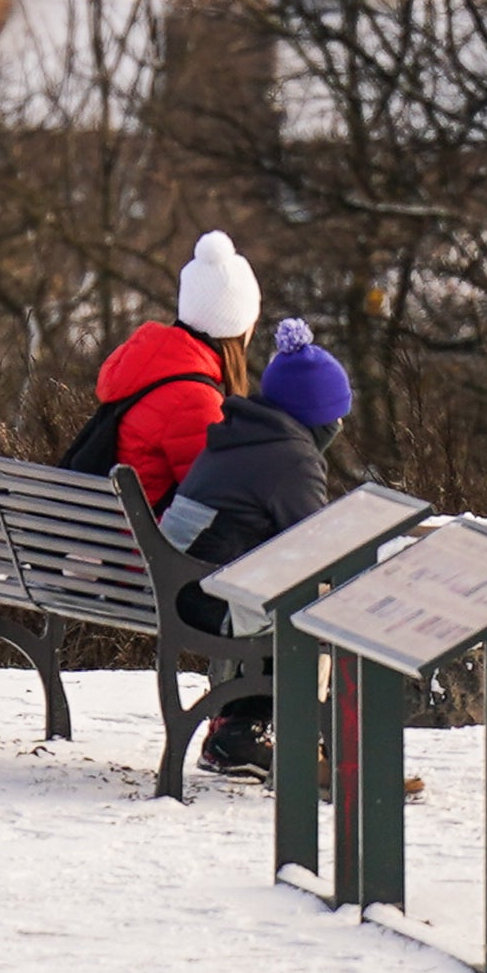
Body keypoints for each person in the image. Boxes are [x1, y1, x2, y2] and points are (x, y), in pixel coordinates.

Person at [159, 320, 351, 778]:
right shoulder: (293, 457)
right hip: (210, 604)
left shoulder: (238, 433)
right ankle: (294, 744)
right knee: (322, 609)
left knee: (284, 595)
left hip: (181, 590)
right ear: (318, 417)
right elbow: (315, 549)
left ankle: (240, 732)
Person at [78, 231, 261, 506]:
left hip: (111, 535)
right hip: (143, 545)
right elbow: (214, 502)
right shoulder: (194, 399)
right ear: (239, 328)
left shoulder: (152, 370)